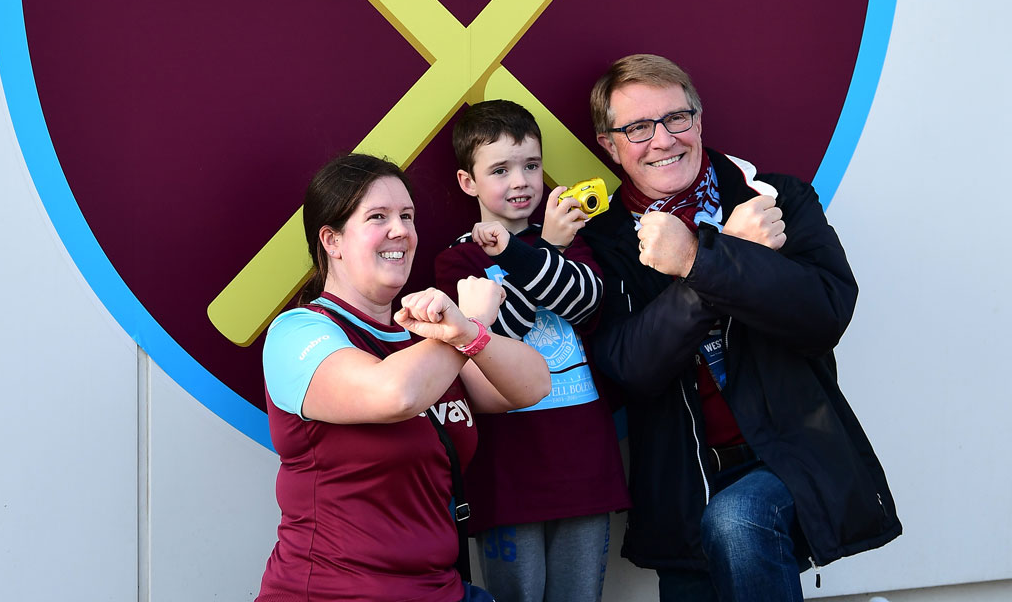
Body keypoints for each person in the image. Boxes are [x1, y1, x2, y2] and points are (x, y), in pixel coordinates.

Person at [579, 54, 902, 601]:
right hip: (682, 490)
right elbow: (630, 367)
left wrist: (702, 260)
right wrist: (715, 263)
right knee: (720, 526)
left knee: (738, 519)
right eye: (637, 127)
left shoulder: (775, 201)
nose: (662, 140)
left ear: (699, 122)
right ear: (610, 146)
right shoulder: (603, 242)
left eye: (676, 119)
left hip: (787, 460)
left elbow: (825, 313)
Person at [255, 153, 551, 602]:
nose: (401, 231)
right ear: (332, 240)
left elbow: (532, 386)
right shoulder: (297, 332)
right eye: (378, 217)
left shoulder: (426, 336)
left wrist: (470, 331)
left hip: (440, 590)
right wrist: (465, 323)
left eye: (407, 216)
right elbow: (394, 393)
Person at [434, 100, 629, 602]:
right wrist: (548, 252)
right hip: (507, 471)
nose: (520, 181)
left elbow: (587, 303)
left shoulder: (573, 240)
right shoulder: (457, 262)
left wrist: (547, 248)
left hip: (584, 461)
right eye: (500, 169)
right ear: (467, 182)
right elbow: (495, 338)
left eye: (531, 166)